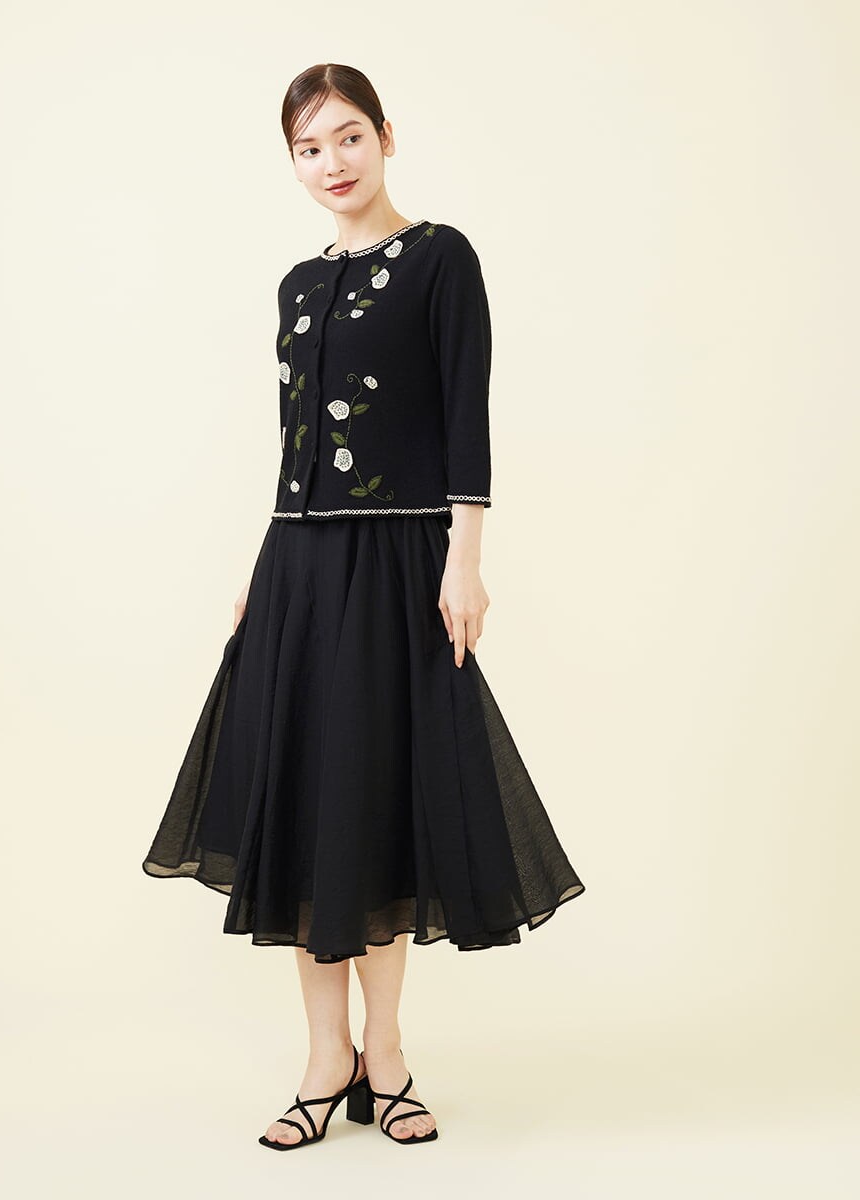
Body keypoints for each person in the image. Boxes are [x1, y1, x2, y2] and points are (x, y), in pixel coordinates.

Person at [141, 63, 587, 1149]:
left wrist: (465, 560)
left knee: (374, 802)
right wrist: (262, 563)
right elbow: (295, 441)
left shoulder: (441, 258)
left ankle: (385, 1056)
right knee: (304, 806)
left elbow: (466, 414)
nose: (331, 163)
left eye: (347, 137)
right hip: (296, 569)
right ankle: (323, 1057)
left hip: (397, 564)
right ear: (291, 162)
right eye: (308, 148)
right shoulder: (297, 285)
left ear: (386, 136)